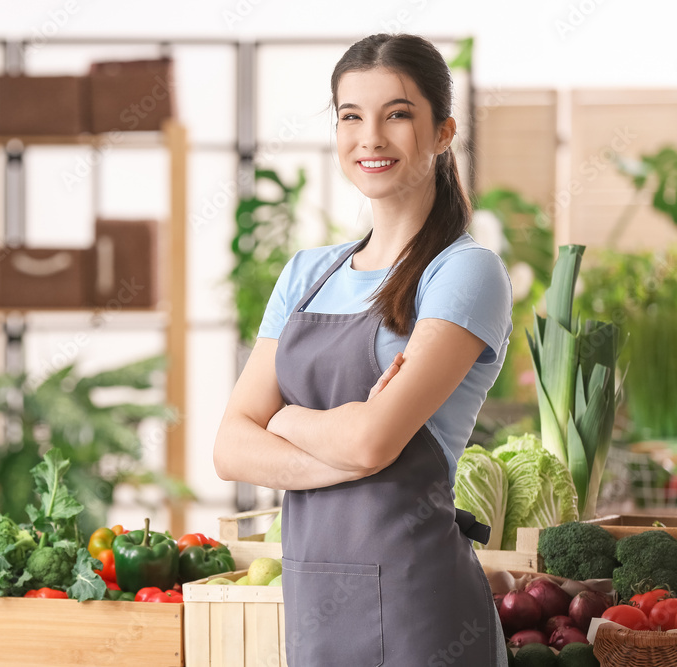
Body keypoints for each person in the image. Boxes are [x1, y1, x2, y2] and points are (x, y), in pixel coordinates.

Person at [213, 33, 513, 666]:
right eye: (351, 116)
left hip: (421, 612)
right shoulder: (306, 273)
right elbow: (230, 448)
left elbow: (374, 441)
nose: (370, 137)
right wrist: (347, 446)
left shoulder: (462, 273)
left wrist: (286, 419)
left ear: (442, 132)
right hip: (315, 604)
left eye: (397, 114)